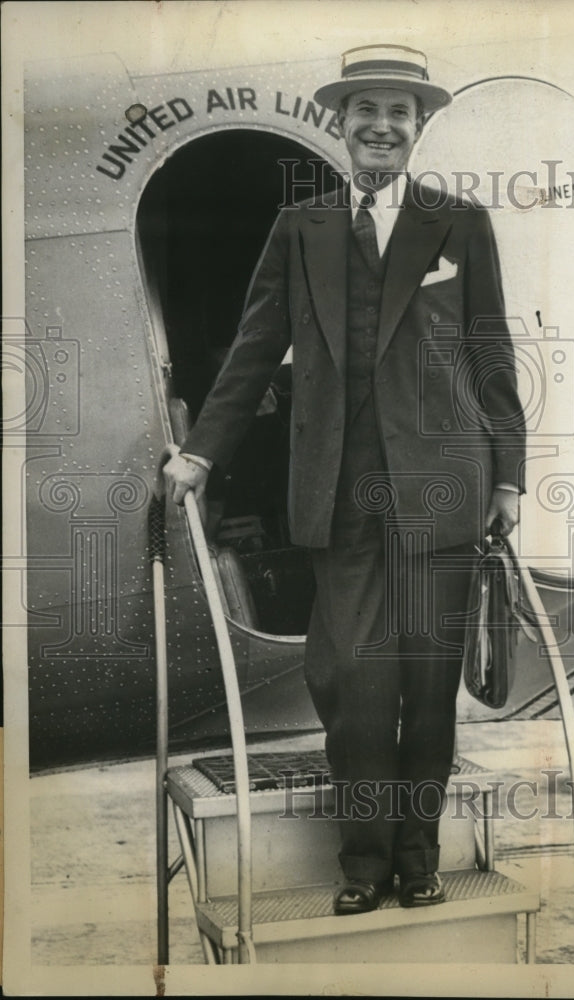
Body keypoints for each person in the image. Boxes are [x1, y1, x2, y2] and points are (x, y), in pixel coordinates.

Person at [162, 43, 526, 915]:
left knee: (426, 690)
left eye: (399, 111)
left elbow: (491, 353)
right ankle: (362, 862)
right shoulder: (301, 227)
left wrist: (508, 478)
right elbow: (254, 350)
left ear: (419, 125)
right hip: (338, 491)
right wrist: (201, 452)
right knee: (350, 685)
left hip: (444, 486)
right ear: (340, 120)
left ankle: (417, 859)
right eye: (366, 109)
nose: (381, 126)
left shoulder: (459, 223)